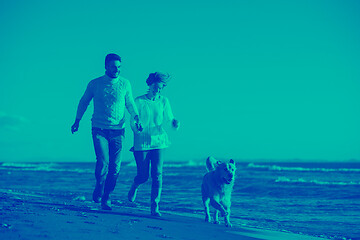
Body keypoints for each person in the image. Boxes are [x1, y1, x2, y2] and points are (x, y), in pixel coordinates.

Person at [71, 53, 142, 210]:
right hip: (99, 129)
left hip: (118, 131)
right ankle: (99, 184)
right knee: (103, 163)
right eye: (113, 66)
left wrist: (136, 116)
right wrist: (77, 120)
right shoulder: (95, 84)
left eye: (119, 67)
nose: (117, 69)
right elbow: (84, 102)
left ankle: (107, 196)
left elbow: (129, 103)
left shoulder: (125, 83)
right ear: (106, 67)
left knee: (115, 167)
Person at [128, 72, 180, 217]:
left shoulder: (164, 101)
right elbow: (133, 121)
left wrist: (174, 123)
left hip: (159, 141)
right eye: (157, 87)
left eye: (161, 88)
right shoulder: (138, 101)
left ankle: (154, 206)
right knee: (143, 176)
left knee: (157, 174)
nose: (159, 90)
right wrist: (136, 127)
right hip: (142, 142)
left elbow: (170, 119)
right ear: (150, 85)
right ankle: (135, 186)